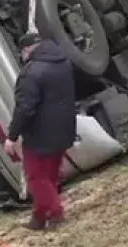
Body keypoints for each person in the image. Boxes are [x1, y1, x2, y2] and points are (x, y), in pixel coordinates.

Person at [5, 33, 76, 230]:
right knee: (50, 176)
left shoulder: (32, 72)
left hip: (40, 135)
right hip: (63, 128)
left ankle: (56, 214)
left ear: (27, 50)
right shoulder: (63, 62)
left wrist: (12, 136)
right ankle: (38, 218)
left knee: (36, 178)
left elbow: (25, 108)